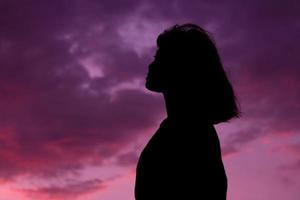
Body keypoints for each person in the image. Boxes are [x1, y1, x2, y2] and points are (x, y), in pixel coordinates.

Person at [135, 23, 240, 200]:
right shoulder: (183, 128)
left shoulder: (191, 132)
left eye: (159, 58)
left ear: (180, 67)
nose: (151, 65)